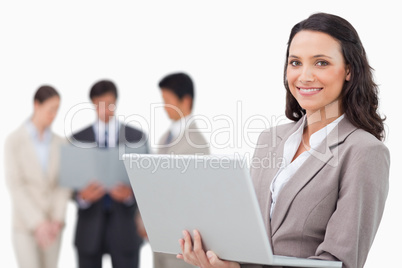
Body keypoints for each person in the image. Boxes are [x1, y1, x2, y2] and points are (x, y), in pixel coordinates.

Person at [177, 13, 390, 268]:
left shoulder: (364, 152)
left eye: (321, 63)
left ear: (349, 70)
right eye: (295, 62)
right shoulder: (270, 139)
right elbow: (251, 242)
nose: (305, 76)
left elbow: (341, 264)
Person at [70, 80, 148, 268]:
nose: (105, 109)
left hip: (125, 228)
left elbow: (148, 183)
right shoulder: (77, 139)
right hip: (89, 229)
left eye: (109, 104)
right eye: (100, 104)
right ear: (93, 104)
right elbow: (70, 183)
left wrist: (130, 195)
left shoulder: (136, 137)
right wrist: (82, 196)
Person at [136, 72, 210, 268]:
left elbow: (191, 196)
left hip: (180, 242)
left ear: (185, 101)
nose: (163, 107)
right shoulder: (165, 138)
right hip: (161, 239)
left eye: (167, 101)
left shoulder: (197, 144)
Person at [4, 85, 71, 268]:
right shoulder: (14, 141)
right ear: (36, 105)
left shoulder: (61, 143)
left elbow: (62, 184)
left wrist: (57, 219)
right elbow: (16, 185)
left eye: (57, 110)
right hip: (25, 225)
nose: (54, 114)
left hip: (53, 226)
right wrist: (38, 222)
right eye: (50, 109)